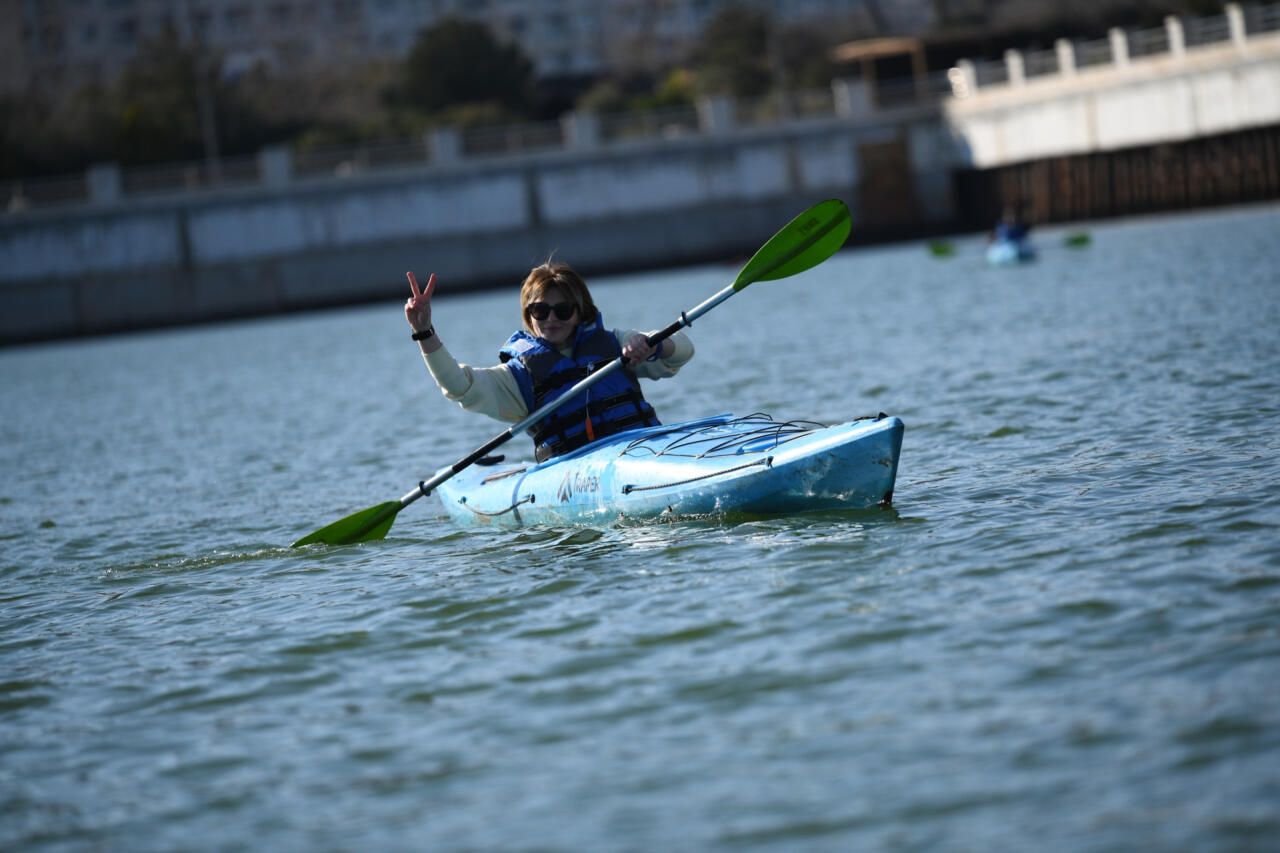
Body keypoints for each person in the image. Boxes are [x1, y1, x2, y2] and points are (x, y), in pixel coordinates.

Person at [405, 262, 694, 462]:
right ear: (528, 314)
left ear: (580, 311)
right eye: (540, 311)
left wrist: (654, 345)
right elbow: (459, 387)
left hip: (647, 450)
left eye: (563, 310)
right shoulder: (518, 376)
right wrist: (424, 332)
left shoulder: (617, 344)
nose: (551, 319)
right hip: (577, 473)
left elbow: (683, 350)